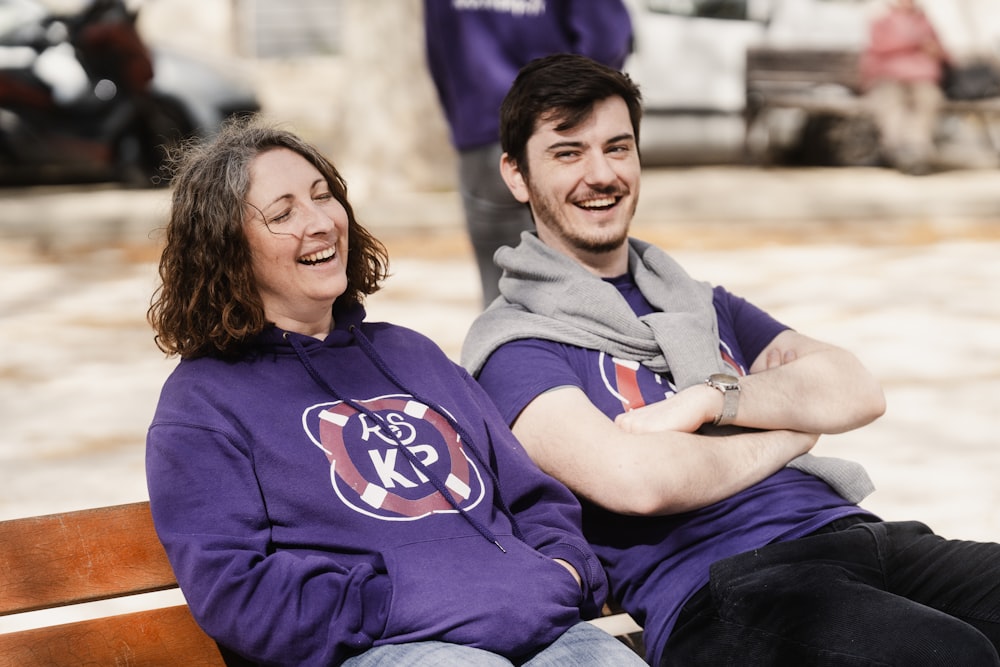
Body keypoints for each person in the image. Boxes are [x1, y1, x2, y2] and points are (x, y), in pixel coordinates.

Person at [461, 53, 1000, 666]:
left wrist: (713, 400)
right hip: (722, 586)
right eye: (568, 152)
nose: (601, 173)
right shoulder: (515, 347)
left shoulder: (695, 300)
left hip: (855, 533)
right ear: (515, 174)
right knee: (949, 655)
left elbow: (855, 388)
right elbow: (638, 481)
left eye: (618, 147)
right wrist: (791, 431)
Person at [145, 116, 647, 666]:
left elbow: (533, 498)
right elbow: (235, 588)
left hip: (535, 623)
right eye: (283, 213)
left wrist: (564, 572)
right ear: (227, 248)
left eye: (323, 196)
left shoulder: (412, 355)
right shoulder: (202, 403)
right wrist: (396, 603)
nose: (319, 223)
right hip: (379, 647)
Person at [422, 0, 632, 307]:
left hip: (483, 136)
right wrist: (582, 122)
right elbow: (607, 38)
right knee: (587, 280)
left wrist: (466, 122)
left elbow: (438, 51)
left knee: (502, 292)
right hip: (563, 139)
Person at [860, 0, 949, 175]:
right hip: (889, 75)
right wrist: (914, 42)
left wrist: (933, 49)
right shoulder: (882, 19)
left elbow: (940, 49)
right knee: (891, 102)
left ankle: (917, 149)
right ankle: (897, 148)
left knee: (928, 99)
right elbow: (879, 45)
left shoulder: (924, 19)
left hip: (922, 76)